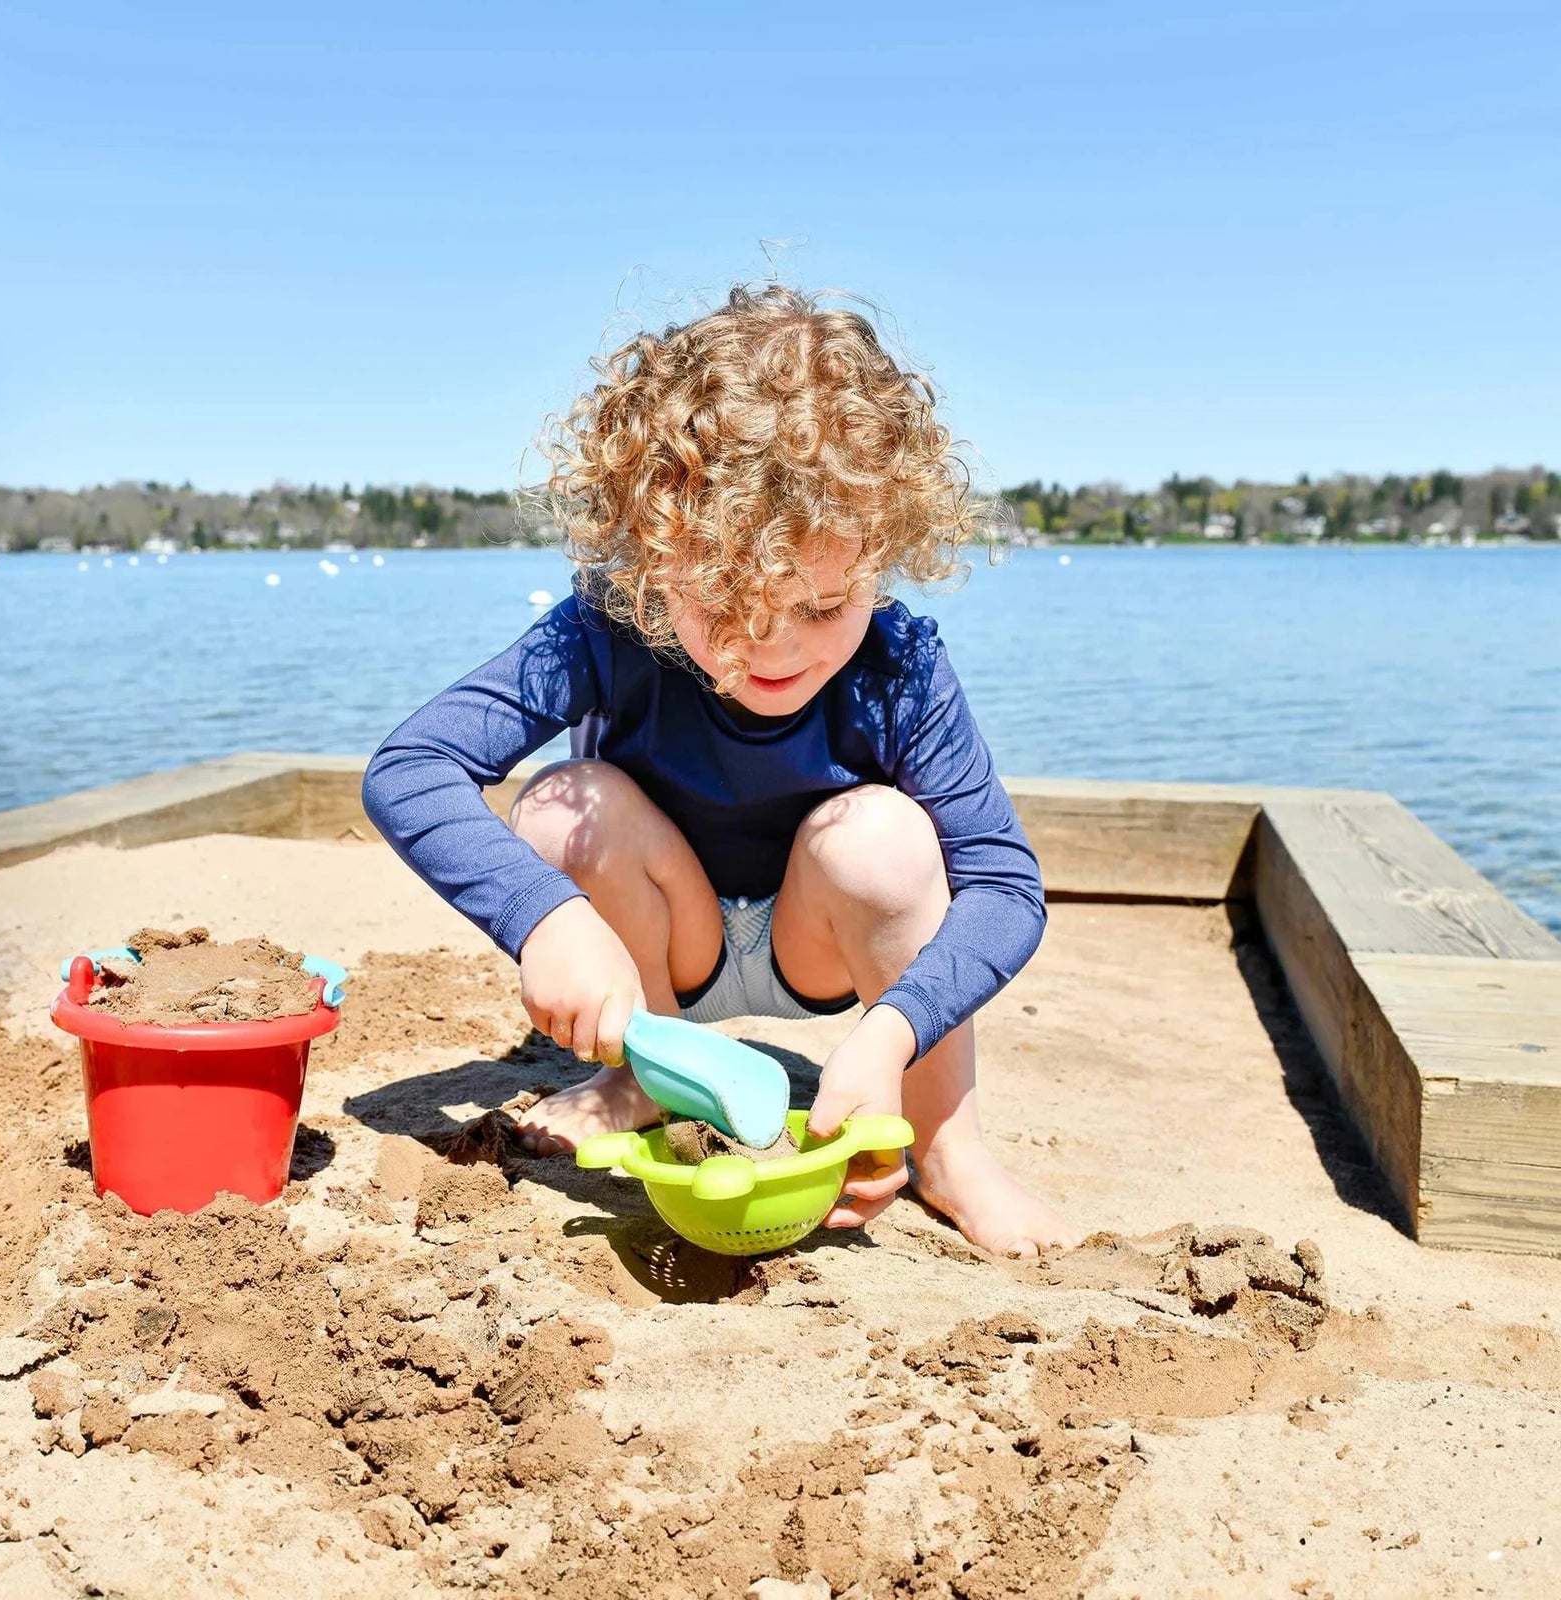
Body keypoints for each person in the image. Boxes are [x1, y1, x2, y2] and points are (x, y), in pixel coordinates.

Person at [362, 284, 1076, 1257]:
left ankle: (951, 1148)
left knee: (886, 839)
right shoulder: (606, 628)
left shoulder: (900, 667)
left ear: (883, 552)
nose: (775, 649)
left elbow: (1005, 885)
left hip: (816, 940)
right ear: (657, 559)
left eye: (824, 609)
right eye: (730, 603)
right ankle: (636, 1078)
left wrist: (891, 1033)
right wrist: (549, 920)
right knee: (567, 804)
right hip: (661, 947)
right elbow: (412, 766)